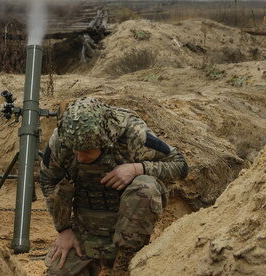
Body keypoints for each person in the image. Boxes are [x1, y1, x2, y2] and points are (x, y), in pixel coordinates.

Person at [40, 97, 189, 276]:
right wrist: (63, 229)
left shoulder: (133, 135)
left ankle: (125, 261)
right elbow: (48, 181)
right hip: (86, 228)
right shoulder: (61, 139)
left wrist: (137, 168)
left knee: (145, 187)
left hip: (129, 226)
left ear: (105, 141)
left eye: (86, 151)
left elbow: (180, 164)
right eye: (74, 150)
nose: (79, 157)